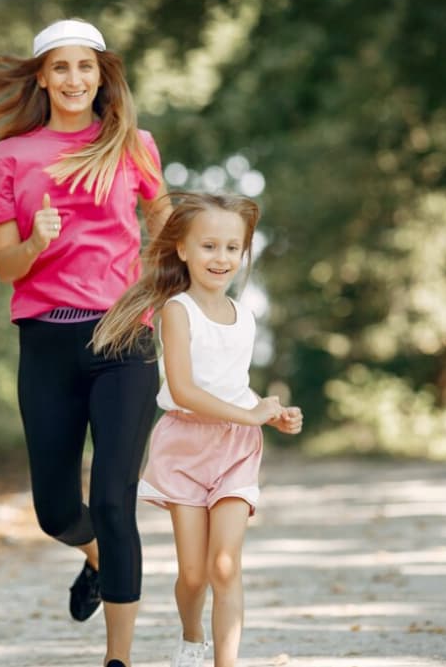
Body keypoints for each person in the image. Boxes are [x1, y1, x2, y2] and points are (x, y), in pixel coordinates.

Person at [0, 19, 171, 667]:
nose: (74, 79)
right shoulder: (13, 156)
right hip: (47, 342)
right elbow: (5, 266)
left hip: (124, 340)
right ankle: (95, 557)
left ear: (102, 74)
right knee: (56, 509)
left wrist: (155, 290)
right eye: (60, 67)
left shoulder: (133, 144)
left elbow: (166, 227)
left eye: (85, 67)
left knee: (116, 500)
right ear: (41, 76)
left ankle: (118, 658)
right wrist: (34, 241)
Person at [91, 192, 304, 667]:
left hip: (236, 450)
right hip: (185, 449)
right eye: (209, 246)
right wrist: (249, 413)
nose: (221, 257)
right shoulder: (176, 311)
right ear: (183, 249)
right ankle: (191, 637)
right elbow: (184, 390)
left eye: (233, 247)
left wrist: (273, 414)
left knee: (223, 566)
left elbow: (236, 387)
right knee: (193, 575)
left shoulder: (246, 316)